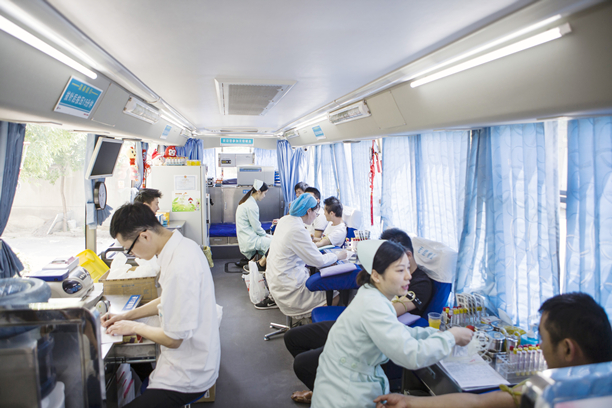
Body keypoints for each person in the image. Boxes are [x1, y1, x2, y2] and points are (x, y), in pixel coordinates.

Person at [374, 292, 612, 408]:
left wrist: (409, 402)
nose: (540, 346)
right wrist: (410, 402)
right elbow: (479, 402)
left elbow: (479, 403)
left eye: (543, 338)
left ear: (568, 349)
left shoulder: (548, 391)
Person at [310, 239, 473, 408]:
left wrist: (435, 334)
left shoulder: (372, 295)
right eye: (400, 270)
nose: (408, 276)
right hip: (345, 394)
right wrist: (451, 337)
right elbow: (410, 355)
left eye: (408, 268)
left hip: (344, 383)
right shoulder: (374, 305)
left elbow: (400, 332)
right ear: (376, 275)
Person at [286, 228, 434, 403]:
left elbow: (391, 310)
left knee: (302, 363)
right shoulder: (387, 274)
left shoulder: (420, 283)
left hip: (371, 336)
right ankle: (325, 388)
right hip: (357, 323)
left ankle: (325, 394)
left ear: (407, 256)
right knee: (293, 338)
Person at [101, 203, 220, 408]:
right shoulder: (182, 247)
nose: (133, 255)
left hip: (187, 377)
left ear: (144, 236)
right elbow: (166, 298)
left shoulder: (179, 266)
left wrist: (134, 327)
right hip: (192, 362)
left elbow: (173, 340)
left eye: (129, 249)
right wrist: (126, 316)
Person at [265, 193, 348, 318]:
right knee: (334, 296)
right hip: (288, 289)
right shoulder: (297, 230)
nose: (316, 216)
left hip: (276, 280)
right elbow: (318, 261)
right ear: (309, 211)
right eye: (316, 213)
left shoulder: (285, 220)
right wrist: (338, 256)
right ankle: (312, 327)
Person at [236, 179, 271, 273]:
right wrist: (265, 235)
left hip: (247, 236)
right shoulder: (252, 205)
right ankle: (261, 266)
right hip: (249, 238)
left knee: (270, 239)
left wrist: (264, 234)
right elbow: (256, 227)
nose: (264, 196)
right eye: (264, 193)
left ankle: (259, 263)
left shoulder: (247, 201)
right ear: (258, 191)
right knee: (273, 242)